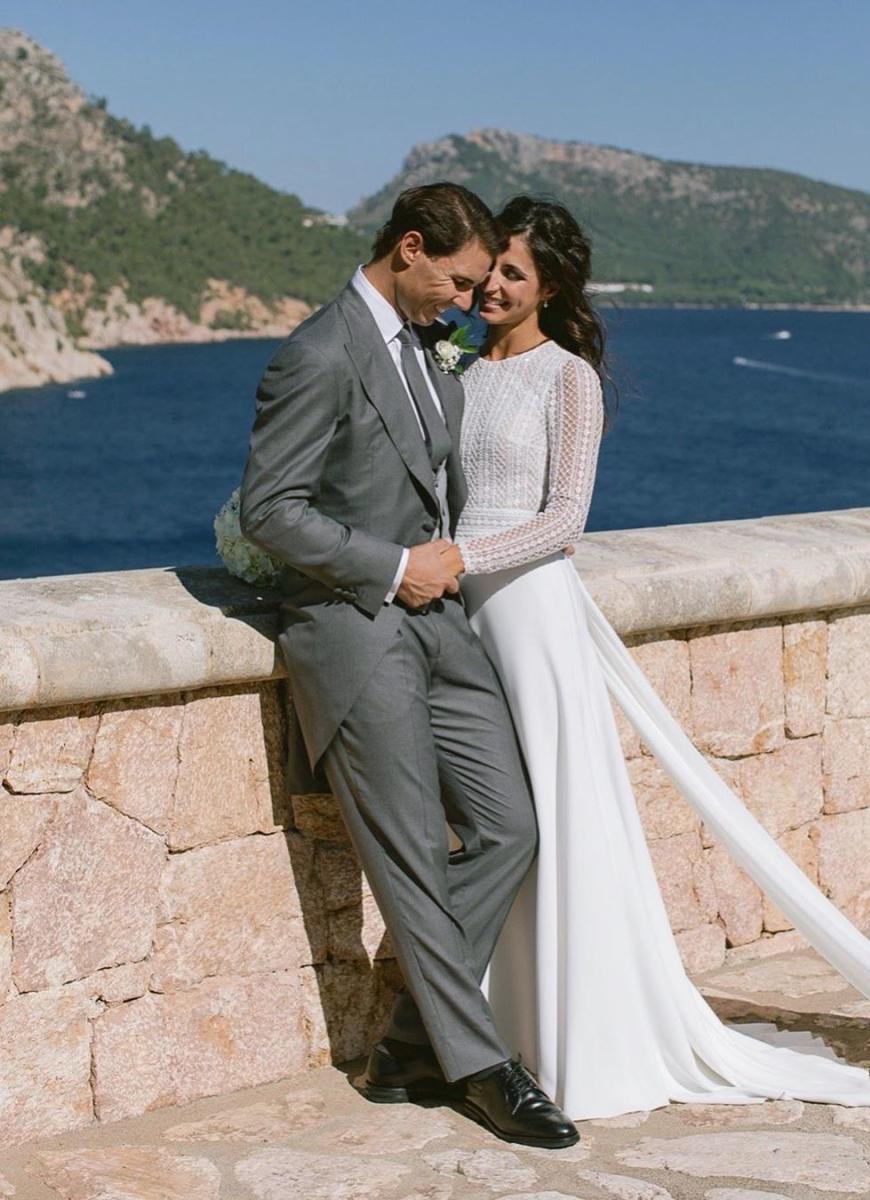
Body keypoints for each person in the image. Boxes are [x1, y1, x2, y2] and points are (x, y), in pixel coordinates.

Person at [452, 195, 870, 1120]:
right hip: (460, 617)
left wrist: (461, 556)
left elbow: (565, 520)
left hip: (527, 615)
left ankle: (577, 1034)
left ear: (550, 287)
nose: (491, 285)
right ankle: (492, 1024)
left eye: (512, 274)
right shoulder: (457, 366)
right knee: (496, 820)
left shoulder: (567, 378)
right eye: (489, 268)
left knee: (554, 822)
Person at [238, 183, 580, 1149]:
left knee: (512, 828)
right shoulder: (316, 351)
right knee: (415, 862)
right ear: (412, 249)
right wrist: (392, 567)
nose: (469, 303)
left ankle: (406, 1043)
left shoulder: (435, 352)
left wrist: (441, 568)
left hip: (444, 630)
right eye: (461, 282)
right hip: (355, 631)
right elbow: (272, 509)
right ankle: (481, 1066)